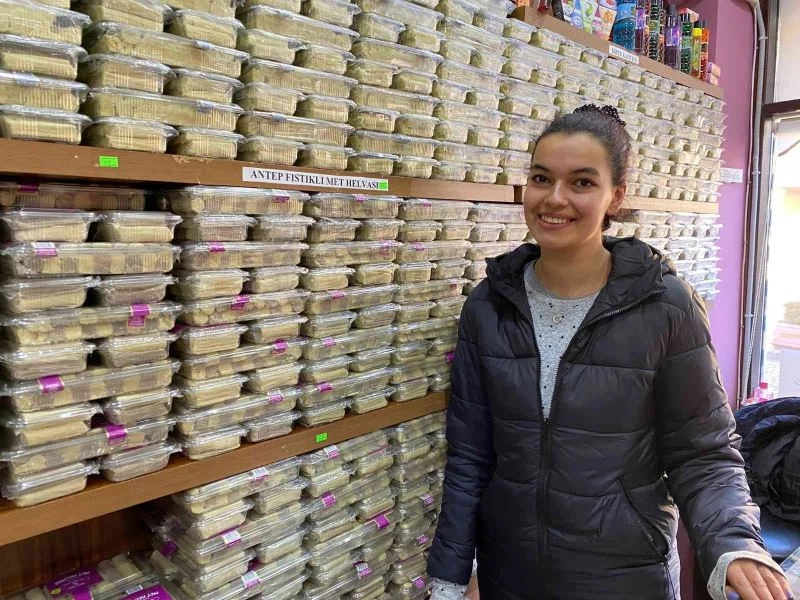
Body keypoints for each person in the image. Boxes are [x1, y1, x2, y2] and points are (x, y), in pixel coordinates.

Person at [426, 105, 792, 600]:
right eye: (541, 178)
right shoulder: (488, 306)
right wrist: (449, 578)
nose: (555, 198)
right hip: (509, 573)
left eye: (582, 182)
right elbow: (470, 456)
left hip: (625, 575)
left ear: (615, 196)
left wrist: (733, 542)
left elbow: (703, 452)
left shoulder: (666, 306)